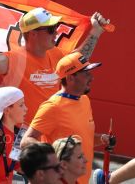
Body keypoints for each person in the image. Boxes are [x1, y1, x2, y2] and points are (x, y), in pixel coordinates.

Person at [0, 0, 109, 124]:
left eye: (56, 28)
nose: (56, 33)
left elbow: (80, 58)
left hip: (51, 130)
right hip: (23, 135)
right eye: (51, 29)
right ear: (33, 33)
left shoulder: (56, 54)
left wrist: (95, 31)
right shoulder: (15, 59)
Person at [20, 52, 110, 184]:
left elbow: (82, 137)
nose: (91, 77)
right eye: (86, 74)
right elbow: (26, 141)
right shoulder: (53, 106)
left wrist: (101, 139)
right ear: (70, 78)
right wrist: (54, 152)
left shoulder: (84, 100)